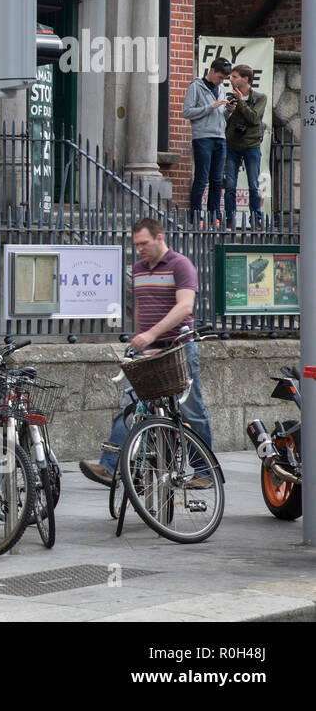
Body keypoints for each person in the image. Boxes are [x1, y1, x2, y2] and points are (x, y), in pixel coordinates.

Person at [79, 217, 213, 486]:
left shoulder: (181, 265)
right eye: (136, 244)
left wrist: (152, 334)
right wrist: (140, 338)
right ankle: (109, 466)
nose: (140, 249)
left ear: (160, 238)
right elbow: (142, 305)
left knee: (191, 410)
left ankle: (204, 473)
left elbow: (185, 307)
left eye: (144, 243)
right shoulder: (138, 269)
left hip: (178, 348)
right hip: (148, 350)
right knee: (129, 404)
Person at [182, 56, 231, 224]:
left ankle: (214, 216)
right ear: (211, 71)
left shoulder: (222, 88)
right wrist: (211, 106)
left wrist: (229, 110)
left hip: (220, 137)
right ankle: (195, 216)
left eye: (224, 79)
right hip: (203, 138)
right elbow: (187, 112)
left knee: (217, 180)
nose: (221, 81)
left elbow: (222, 114)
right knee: (202, 178)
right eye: (219, 77)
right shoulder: (196, 86)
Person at [222, 64, 268, 230]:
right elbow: (225, 121)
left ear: (245, 79)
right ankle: (229, 219)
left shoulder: (260, 97)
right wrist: (229, 110)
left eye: (234, 76)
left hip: (251, 146)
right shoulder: (229, 96)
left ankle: (256, 220)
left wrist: (241, 102)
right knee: (230, 185)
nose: (231, 79)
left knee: (253, 186)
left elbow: (254, 118)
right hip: (232, 145)